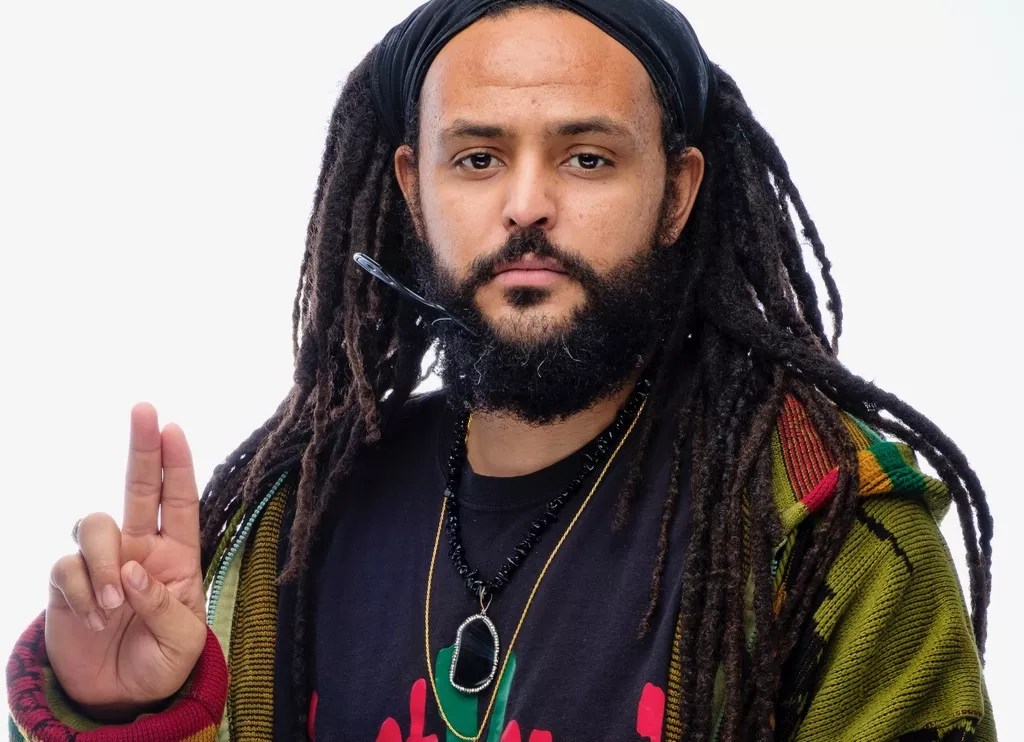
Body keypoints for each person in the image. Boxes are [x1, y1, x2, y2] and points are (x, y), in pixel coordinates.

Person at [7, 0, 995, 739]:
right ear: (413, 188)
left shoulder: (827, 529)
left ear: (676, 192)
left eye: (587, 158)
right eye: (477, 158)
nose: (526, 204)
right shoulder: (295, 528)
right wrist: (122, 713)